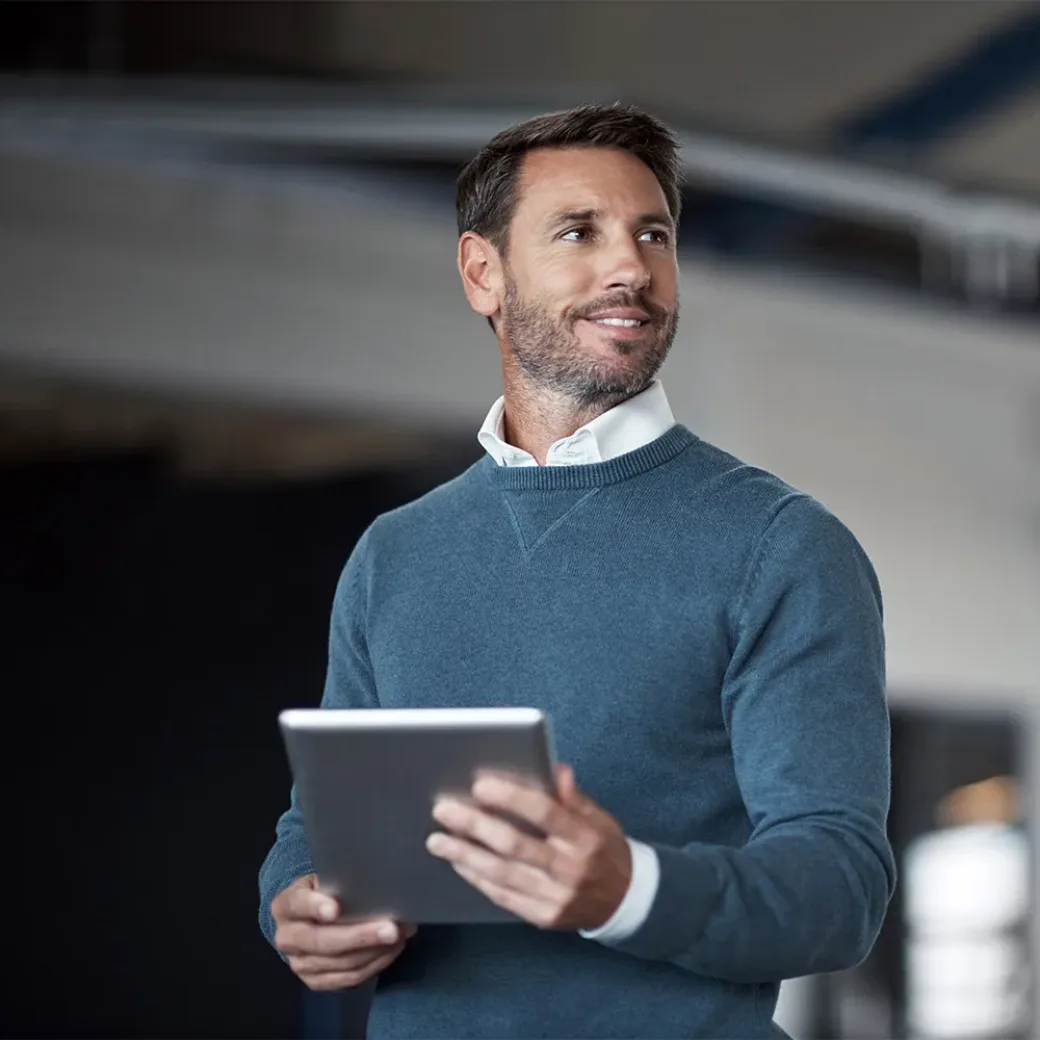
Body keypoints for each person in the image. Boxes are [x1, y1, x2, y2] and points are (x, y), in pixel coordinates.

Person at [258, 102, 896, 1039]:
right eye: (577, 232)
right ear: (483, 273)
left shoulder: (781, 544)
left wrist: (627, 889)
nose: (631, 267)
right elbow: (316, 824)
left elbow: (841, 888)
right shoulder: (393, 555)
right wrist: (297, 910)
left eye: (654, 234)